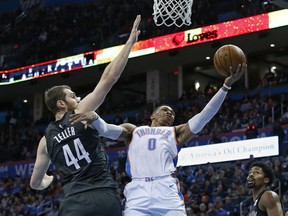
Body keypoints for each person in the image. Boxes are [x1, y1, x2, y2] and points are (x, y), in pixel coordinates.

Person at [70, 64, 246, 215]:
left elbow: (204, 116)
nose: (170, 113)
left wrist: (225, 87)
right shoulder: (134, 131)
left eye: (172, 112)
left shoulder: (175, 132)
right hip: (138, 190)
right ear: (153, 114)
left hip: (165, 189)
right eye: (165, 109)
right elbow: (107, 130)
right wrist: (96, 118)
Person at [29, 15, 141, 216]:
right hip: (104, 199)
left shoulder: (45, 141)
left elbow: (36, 183)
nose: (78, 98)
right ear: (61, 104)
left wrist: (49, 179)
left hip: (74, 204)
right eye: (73, 96)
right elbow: (109, 78)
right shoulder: (79, 114)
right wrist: (129, 44)